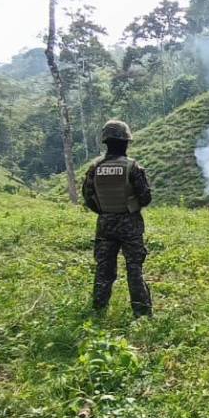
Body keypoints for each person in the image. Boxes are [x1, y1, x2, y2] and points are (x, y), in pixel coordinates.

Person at [81, 120, 153, 317]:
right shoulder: (133, 167)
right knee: (134, 269)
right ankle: (142, 314)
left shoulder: (95, 168)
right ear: (126, 142)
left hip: (105, 225)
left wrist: (106, 211)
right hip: (130, 224)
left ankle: (98, 311)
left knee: (104, 270)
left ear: (106, 142)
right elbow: (145, 197)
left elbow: (88, 198)